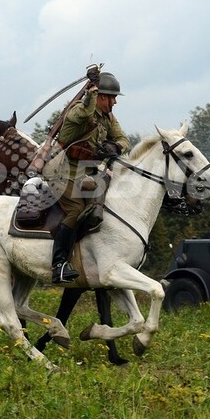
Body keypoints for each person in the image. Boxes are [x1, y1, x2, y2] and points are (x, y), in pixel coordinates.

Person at [50, 65, 131, 283]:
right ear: (100, 96)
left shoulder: (109, 118)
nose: (115, 102)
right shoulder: (79, 109)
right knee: (76, 210)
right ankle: (58, 264)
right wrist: (92, 91)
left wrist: (116, 148)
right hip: (64, 174)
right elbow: (85, 111)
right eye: (112, 97)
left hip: (89, 176)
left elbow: (125, 140)